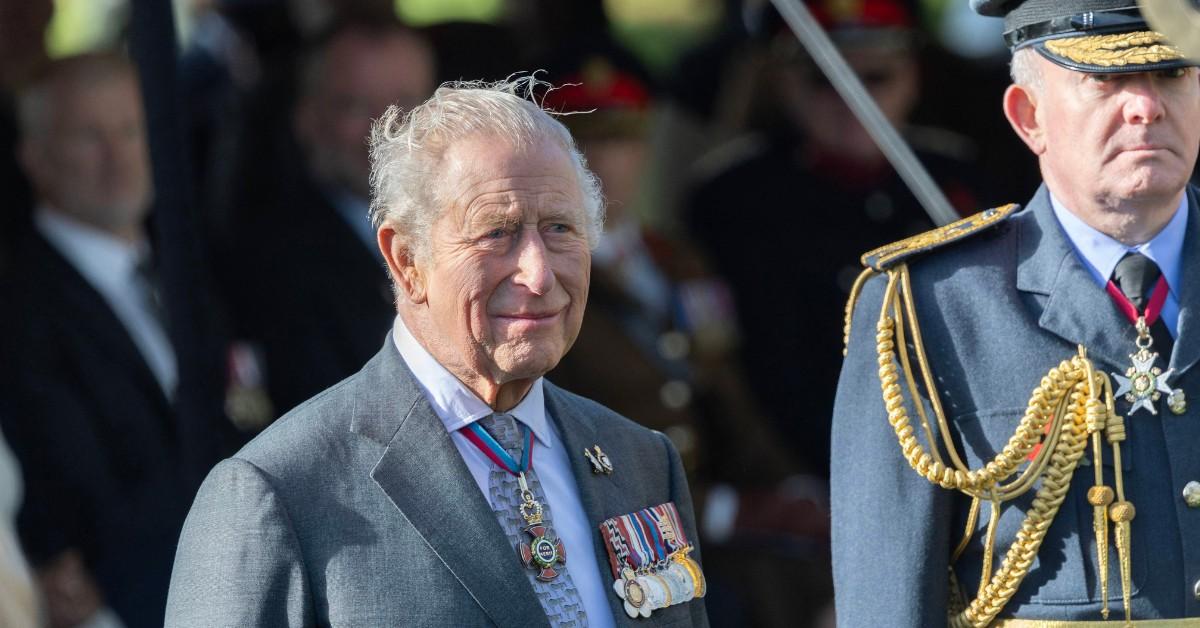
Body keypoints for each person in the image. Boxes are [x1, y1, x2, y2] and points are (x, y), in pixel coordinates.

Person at [165, 79, 710, 627]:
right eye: (497, 232)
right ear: (406, 260)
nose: (540, 273)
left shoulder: (640, 460)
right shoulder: (280, 492)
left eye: (561, 229)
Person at [832, 0, 1200, 625]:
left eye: (1172, 74)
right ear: (1030, 118)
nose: (1145, 107)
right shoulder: (932, 307)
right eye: (1104, 81)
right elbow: (886, 600)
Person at [686, 0, 997, 476]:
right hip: (808, 468)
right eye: (824, 80)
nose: (853, 100)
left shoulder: (960, 181)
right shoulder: (732, 198)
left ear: (911, 77)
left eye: (876, 78)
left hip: (960, 452)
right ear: (784, 83)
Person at [0, 52, 232, 628]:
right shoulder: (15, 308)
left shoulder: (192, 271)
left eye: (132, 130)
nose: (119, 156)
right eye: (88, 136)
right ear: (34, 156)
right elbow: (73, 498)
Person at [217, 17, 437, 416]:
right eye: (355, 106)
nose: (385, 128)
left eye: (406, 103)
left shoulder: (466, 232)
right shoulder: (272, 266)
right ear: (307, 120)